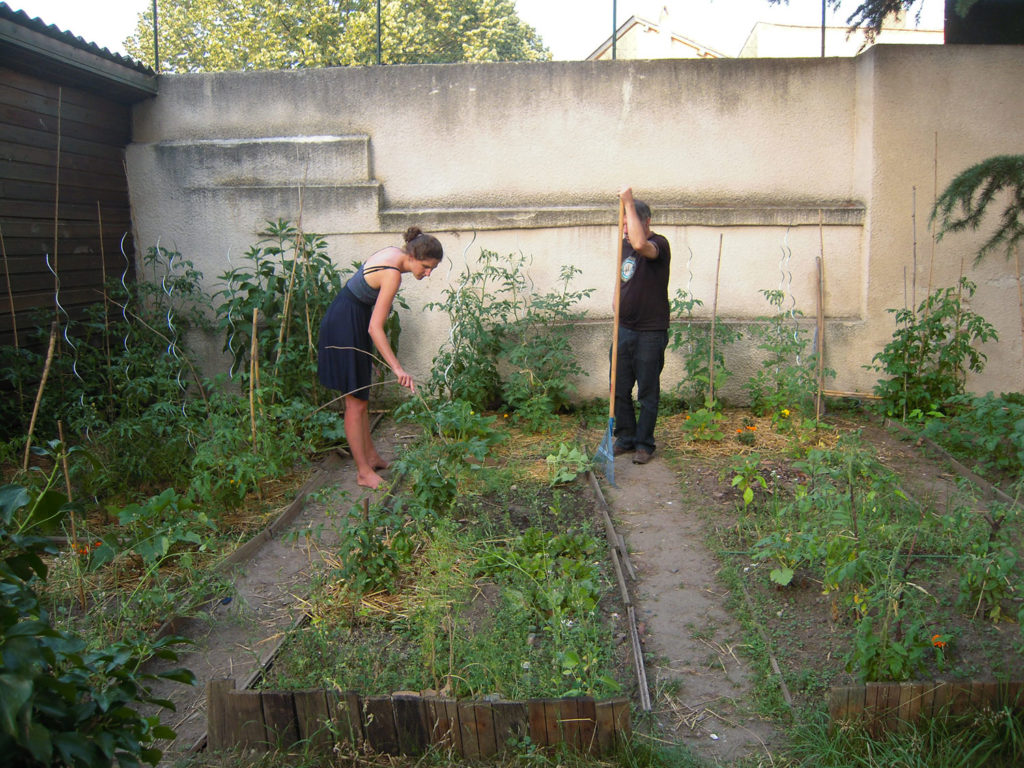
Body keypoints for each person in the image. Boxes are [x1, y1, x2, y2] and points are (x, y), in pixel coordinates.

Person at [318, 227, 443, 489]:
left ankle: (372, 457)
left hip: (351, 318)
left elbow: (370, 322)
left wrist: (372, 356)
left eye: (433, 268)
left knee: (361, 397)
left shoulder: (394, 254)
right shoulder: (393, 274)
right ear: (413, 256)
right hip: (344, 324)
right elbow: (376, 327)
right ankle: (363, 472)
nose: (428, 273)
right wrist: (398, 369)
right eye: (427, 266)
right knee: (355, 403)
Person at [613, 187, 671, 465]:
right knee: (619, 386)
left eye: (629, 222)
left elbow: (639, 245)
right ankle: (625, 437)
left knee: (647, 390)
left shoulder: (659, 244)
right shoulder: (622, 244)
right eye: (623, 222)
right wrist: (616, 303)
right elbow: (621, 278)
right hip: (623, 328)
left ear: (646, 221)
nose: (625, 228)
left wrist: (627, 201)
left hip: (650, 332)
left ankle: (644, 444)